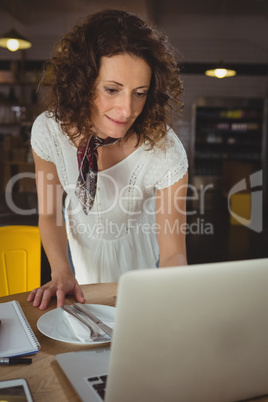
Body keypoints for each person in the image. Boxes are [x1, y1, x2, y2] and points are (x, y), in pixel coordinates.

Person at [27, 9, 188, 310]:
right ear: (83, 82)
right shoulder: (48, 132)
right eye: (112, 90)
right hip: (77, 258)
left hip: (142, 264)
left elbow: (173, 254)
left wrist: (171, 296)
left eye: (139, 93)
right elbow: (50, 215)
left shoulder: (166, 151)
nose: (126, 109)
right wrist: (61, 271)